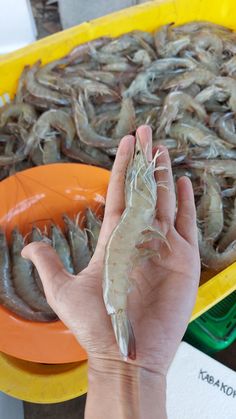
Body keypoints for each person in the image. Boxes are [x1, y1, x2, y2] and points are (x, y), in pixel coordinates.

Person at [22, 125, 201, 419]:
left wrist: (121, 369)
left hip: (123, 266)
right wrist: (137, 371)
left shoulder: (136, 209)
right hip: (118, 283)